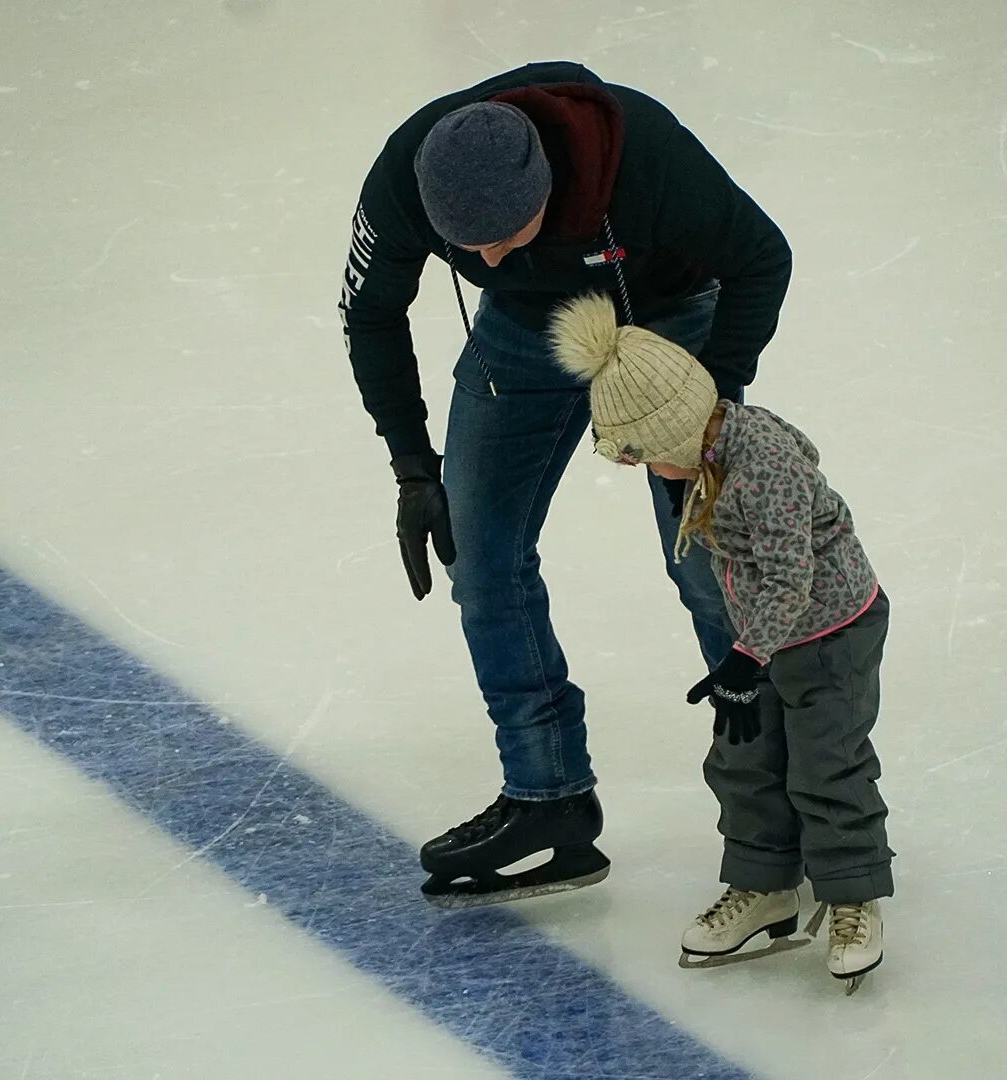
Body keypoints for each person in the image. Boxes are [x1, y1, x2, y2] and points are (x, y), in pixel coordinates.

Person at [338, 61, 792, 907]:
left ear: (547, 186)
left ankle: (781, 806)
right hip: (526, 330)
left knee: (706, 568)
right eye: (466, 247)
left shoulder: (647, 157)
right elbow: (370, 312)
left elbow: (764, 257)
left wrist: (710, 410)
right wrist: (411, 466)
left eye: (504, 234)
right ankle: (548, 797)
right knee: (481, 560)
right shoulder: (407, 173)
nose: (486, 256)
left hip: (668, 314)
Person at [548, 292, 894, 993]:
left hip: (831, 631)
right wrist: (748, 657)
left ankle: (854, 895)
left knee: (826, 764)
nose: (647, 471)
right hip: (765, 637)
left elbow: (791, 579)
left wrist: (743, 658)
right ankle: (765, 887)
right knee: (743, 759)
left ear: (675, 434)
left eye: (646, 456)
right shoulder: (708, 457)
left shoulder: (762, 467)